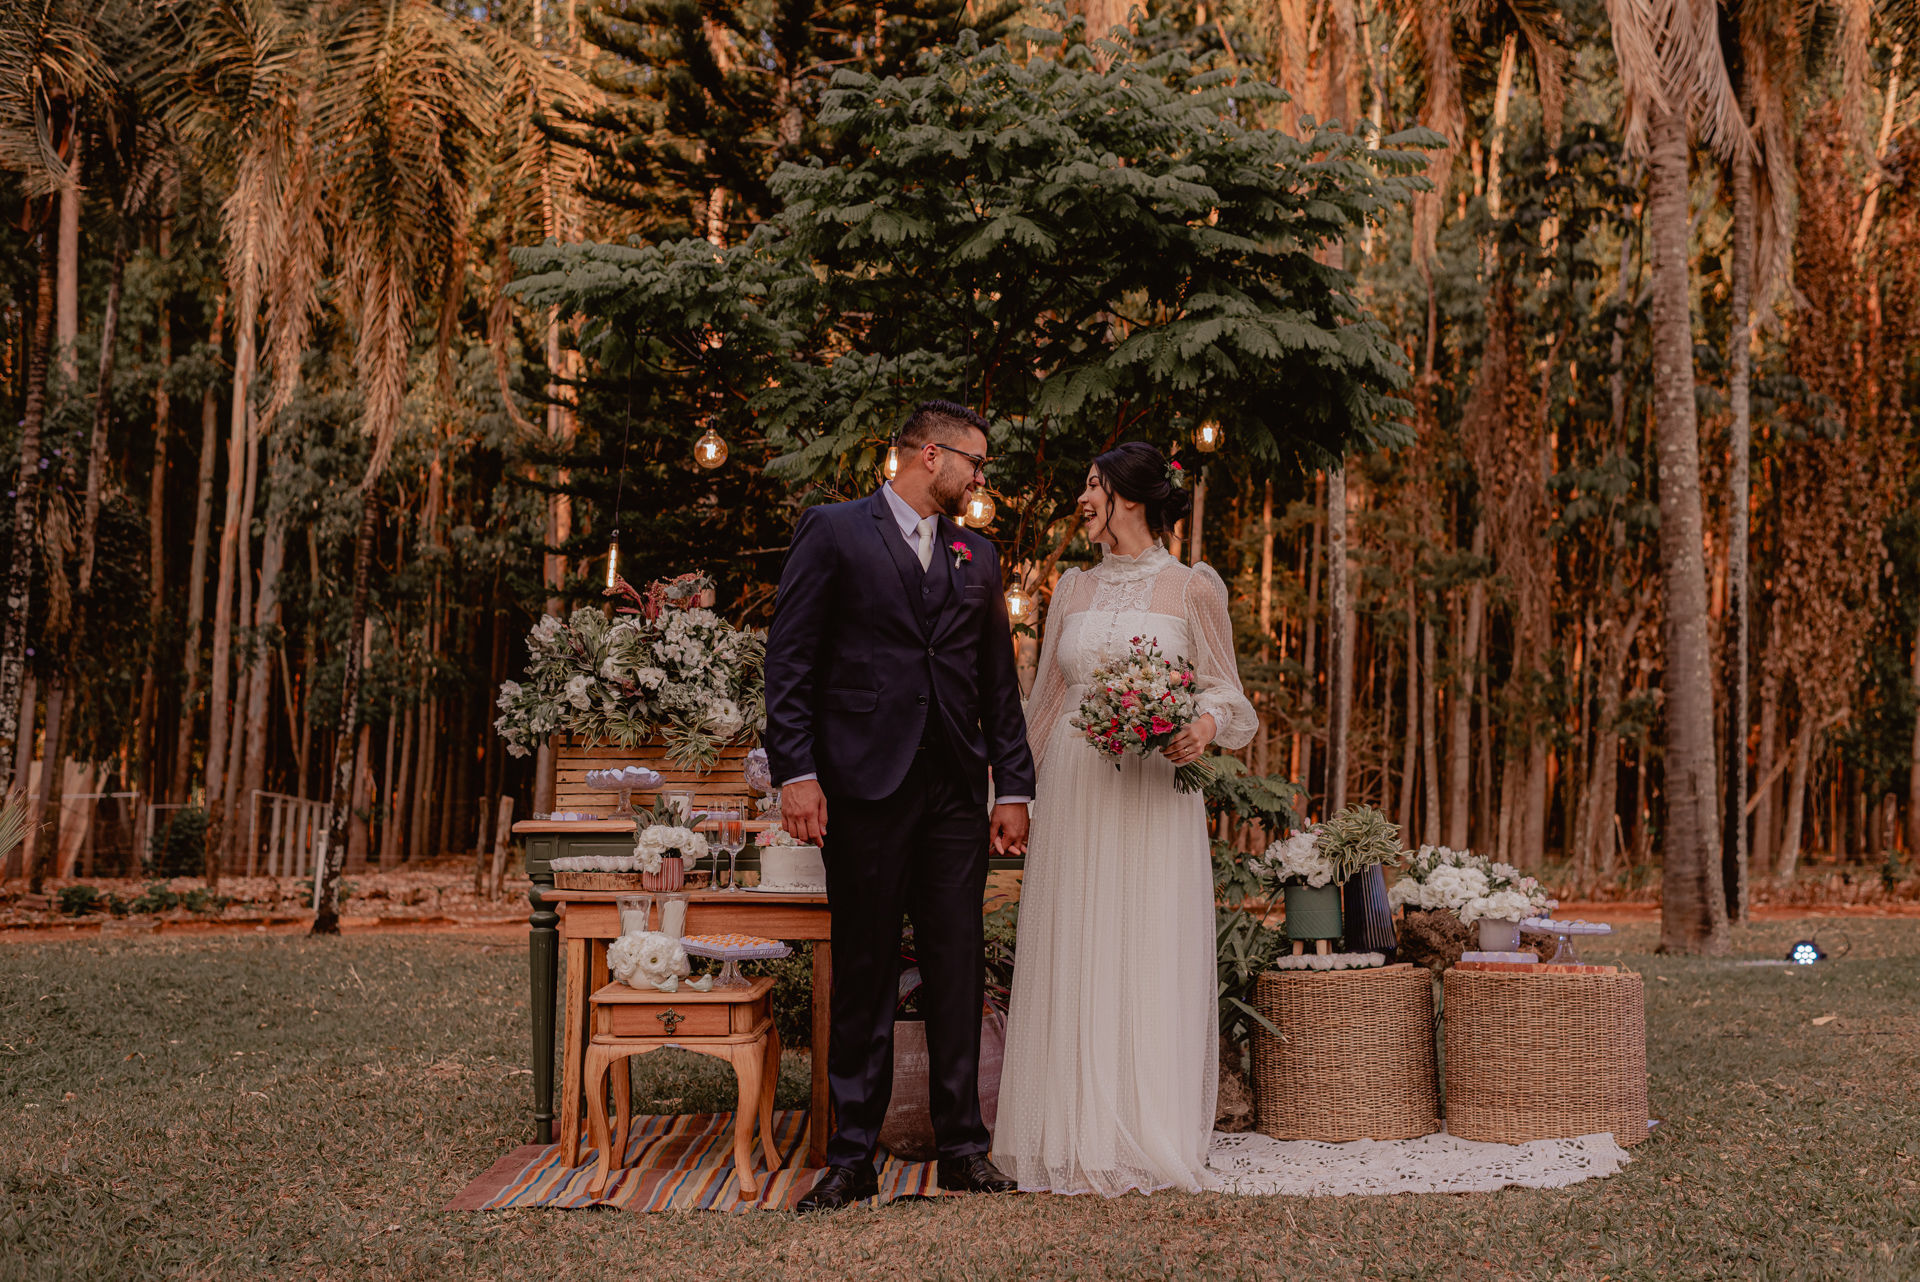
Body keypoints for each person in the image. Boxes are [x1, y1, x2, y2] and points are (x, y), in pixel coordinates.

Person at [763, 400, 1036, 1211]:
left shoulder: (976, 554)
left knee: (957, 967)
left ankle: (962, 1148)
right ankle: (851, 1156)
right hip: (862, 788)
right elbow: (791, 659)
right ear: (927, 454)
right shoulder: (836, 530)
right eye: (973, 463)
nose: (980, 478)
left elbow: (997, 681)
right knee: (867, 970)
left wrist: (1013, 786)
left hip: (955, 787)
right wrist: (797, 773)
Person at [993, 440, 1258, 1196]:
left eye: (1092, 484)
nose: (1082, 497)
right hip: (1077, 789)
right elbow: (1044, 702)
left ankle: (1147, 1130)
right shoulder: (1071, 589)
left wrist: (1200, 729)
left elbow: (1229, 697)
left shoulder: (1192, 588)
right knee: (1077, 939)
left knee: (1142, 941)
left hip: (1151, 794)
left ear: (1130, 500)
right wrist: (1011, 793)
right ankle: (1071, 1127)